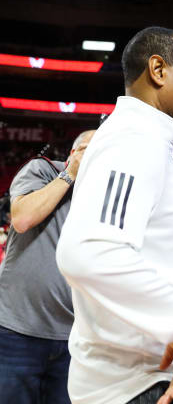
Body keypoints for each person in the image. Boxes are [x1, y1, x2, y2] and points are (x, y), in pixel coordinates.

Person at [56, 27, 173, 404]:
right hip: (146, 384)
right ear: (158, 70)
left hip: (141, 380)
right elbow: (89, 252)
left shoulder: (138, 139)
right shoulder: (135, 139)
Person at [0, 130, 94, 404]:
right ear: (73, 154)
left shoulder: (105, 194)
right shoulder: (42, 169)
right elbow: (22, 218)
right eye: (88, 149)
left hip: (74, 338)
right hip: (17, 331)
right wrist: (70, 174)